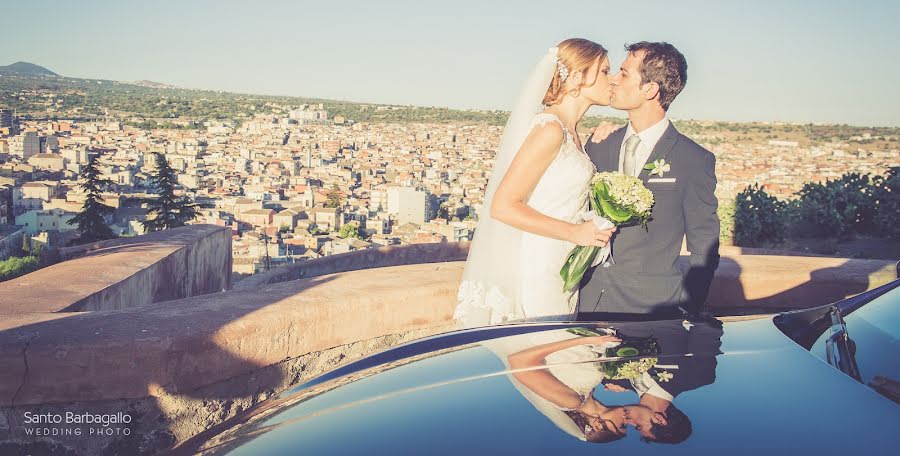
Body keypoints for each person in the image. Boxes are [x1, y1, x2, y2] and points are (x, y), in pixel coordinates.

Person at [454, 38, 616, 328]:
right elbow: (503, 206)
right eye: (604, 71)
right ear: (578, 77)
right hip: (540, 263)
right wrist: (574, 232)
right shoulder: (550, 130)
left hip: (561, 261)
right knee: (542, 353)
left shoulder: (573, 134)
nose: (612, 79)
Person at [578, 42, 720, 319]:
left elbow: (705, 243)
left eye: (623, 73)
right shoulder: (600, 144)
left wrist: (687, 306)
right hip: (588, 301)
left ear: (650, 89)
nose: (613, 80)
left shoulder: (693, 159)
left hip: (653, 309)